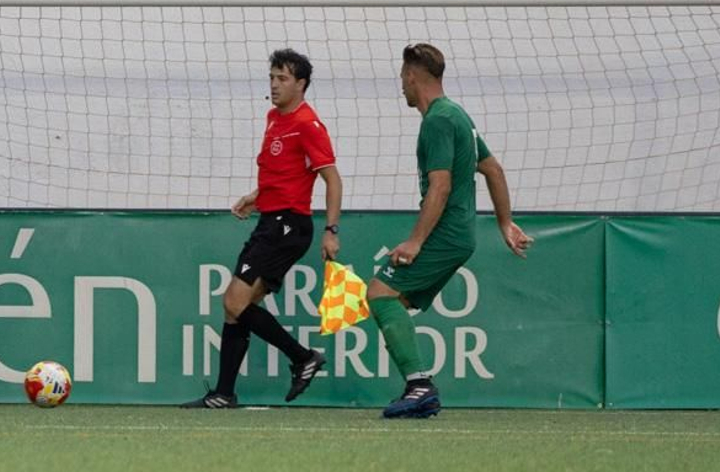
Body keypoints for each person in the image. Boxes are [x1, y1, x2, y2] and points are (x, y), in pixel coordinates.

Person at [371, 43, 532, 419]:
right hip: (461, 235)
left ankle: (419, 386)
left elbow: (440, 187)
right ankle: (417, 387)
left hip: (445, 233)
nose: (401, 87)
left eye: (402, 78)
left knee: (380, 294)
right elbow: (492, 169)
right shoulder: (458, 115)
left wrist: (415, 240)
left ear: (412, 76)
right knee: (396, 302)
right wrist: (505, 222)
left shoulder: (438, 121)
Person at [182, 49, 343, 408]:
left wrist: (331, 230)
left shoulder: (308, 124)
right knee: (236, 308)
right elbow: (285, 172)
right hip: (271, 219)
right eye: (272, 77)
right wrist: (257, 196)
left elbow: (332, 180)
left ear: (301, 84)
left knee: (233, 301)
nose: (274, 84)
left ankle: (303, 357)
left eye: (282, 78)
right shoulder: (274, 117)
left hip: (288, 226)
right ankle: (224, 393)